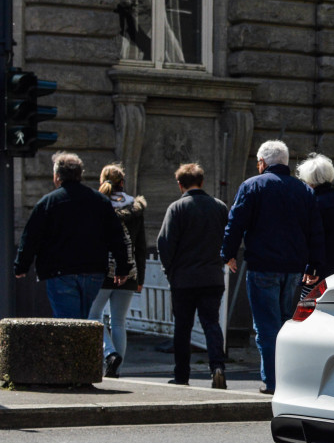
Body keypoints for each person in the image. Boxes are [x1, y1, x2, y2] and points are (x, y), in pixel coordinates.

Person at [221, 140, 324, 394]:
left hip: (263, 266)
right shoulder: (304, 190)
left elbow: (236, 222)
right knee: (285, 324)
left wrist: (228, 253)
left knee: (266, 327)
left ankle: (273, 382)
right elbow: (315, 231)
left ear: (262, 163)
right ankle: (288, 380)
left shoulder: (252, 186)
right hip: (294, 269)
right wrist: (314, 265)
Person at [14, 152, 131, 318]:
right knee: (86, 323)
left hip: (60, 272)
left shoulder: (48, 203)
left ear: (57, 177)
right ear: (80, 175)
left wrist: (22, 266)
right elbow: (117, 236)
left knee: (67, 325)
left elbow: (31, 237)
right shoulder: (100, 202)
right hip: (94, 270)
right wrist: (123, 267)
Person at [157, 163, 229, 389]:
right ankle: (217, 367)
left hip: (184, 279)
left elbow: (164, 243)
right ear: (202, 181)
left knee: (183, 327)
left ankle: (181, 374)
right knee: (211, 324)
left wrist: (170, 271)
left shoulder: (176, 209)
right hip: (212, 277)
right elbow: (229, 239)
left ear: (180, 184)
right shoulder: (219, 207)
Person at [87, 164, 147, 378]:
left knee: (93, 316)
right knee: (119, 321)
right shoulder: (135, 207)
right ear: (123, 182)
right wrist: (140, 274)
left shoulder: (96, 204)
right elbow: (141, 245)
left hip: (101, 271)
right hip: (129, 271)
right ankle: (116, 370)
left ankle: (109, 354)